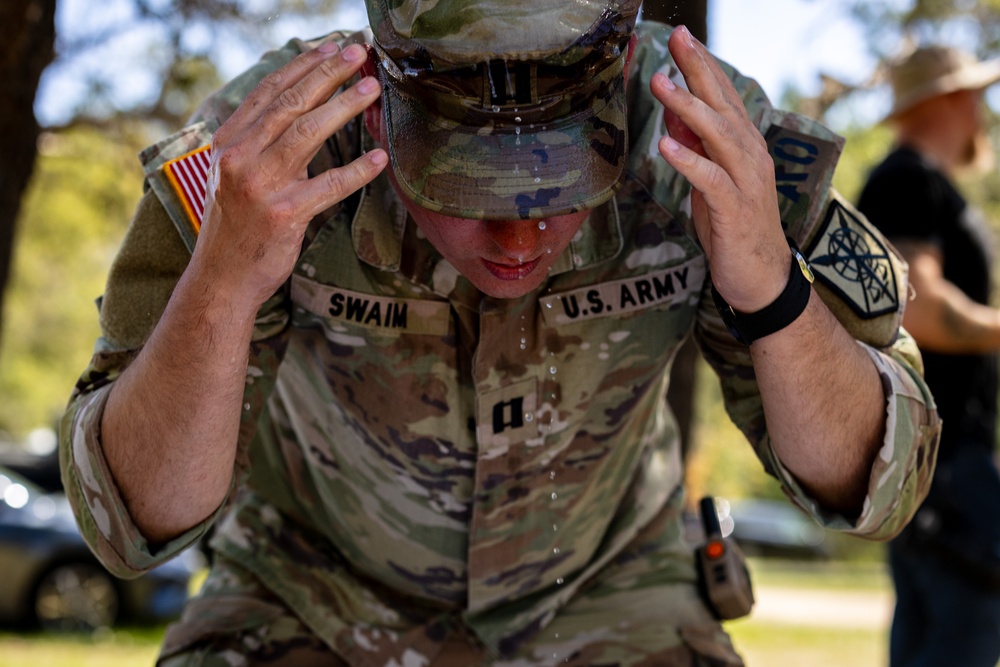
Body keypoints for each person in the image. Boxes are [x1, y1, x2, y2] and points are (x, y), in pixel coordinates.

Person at [60, 1, 940, 664]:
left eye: (563, 181)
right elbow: (132, 519)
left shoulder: (703, 138)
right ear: (382, 114)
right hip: (314, 594)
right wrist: (223, 285)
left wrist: (772, 291)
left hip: (610, 593)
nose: (519, 238)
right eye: (465, 184)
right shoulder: (266, 156)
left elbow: (879, 481)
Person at [857, 44, 1000, 667]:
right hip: (946, 461)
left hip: (930, 457)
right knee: (968, 627)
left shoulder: (915, 181)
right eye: (976, 94)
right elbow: (918, 307)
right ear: (952, 98)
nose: (982, 109)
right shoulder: (908, 180)